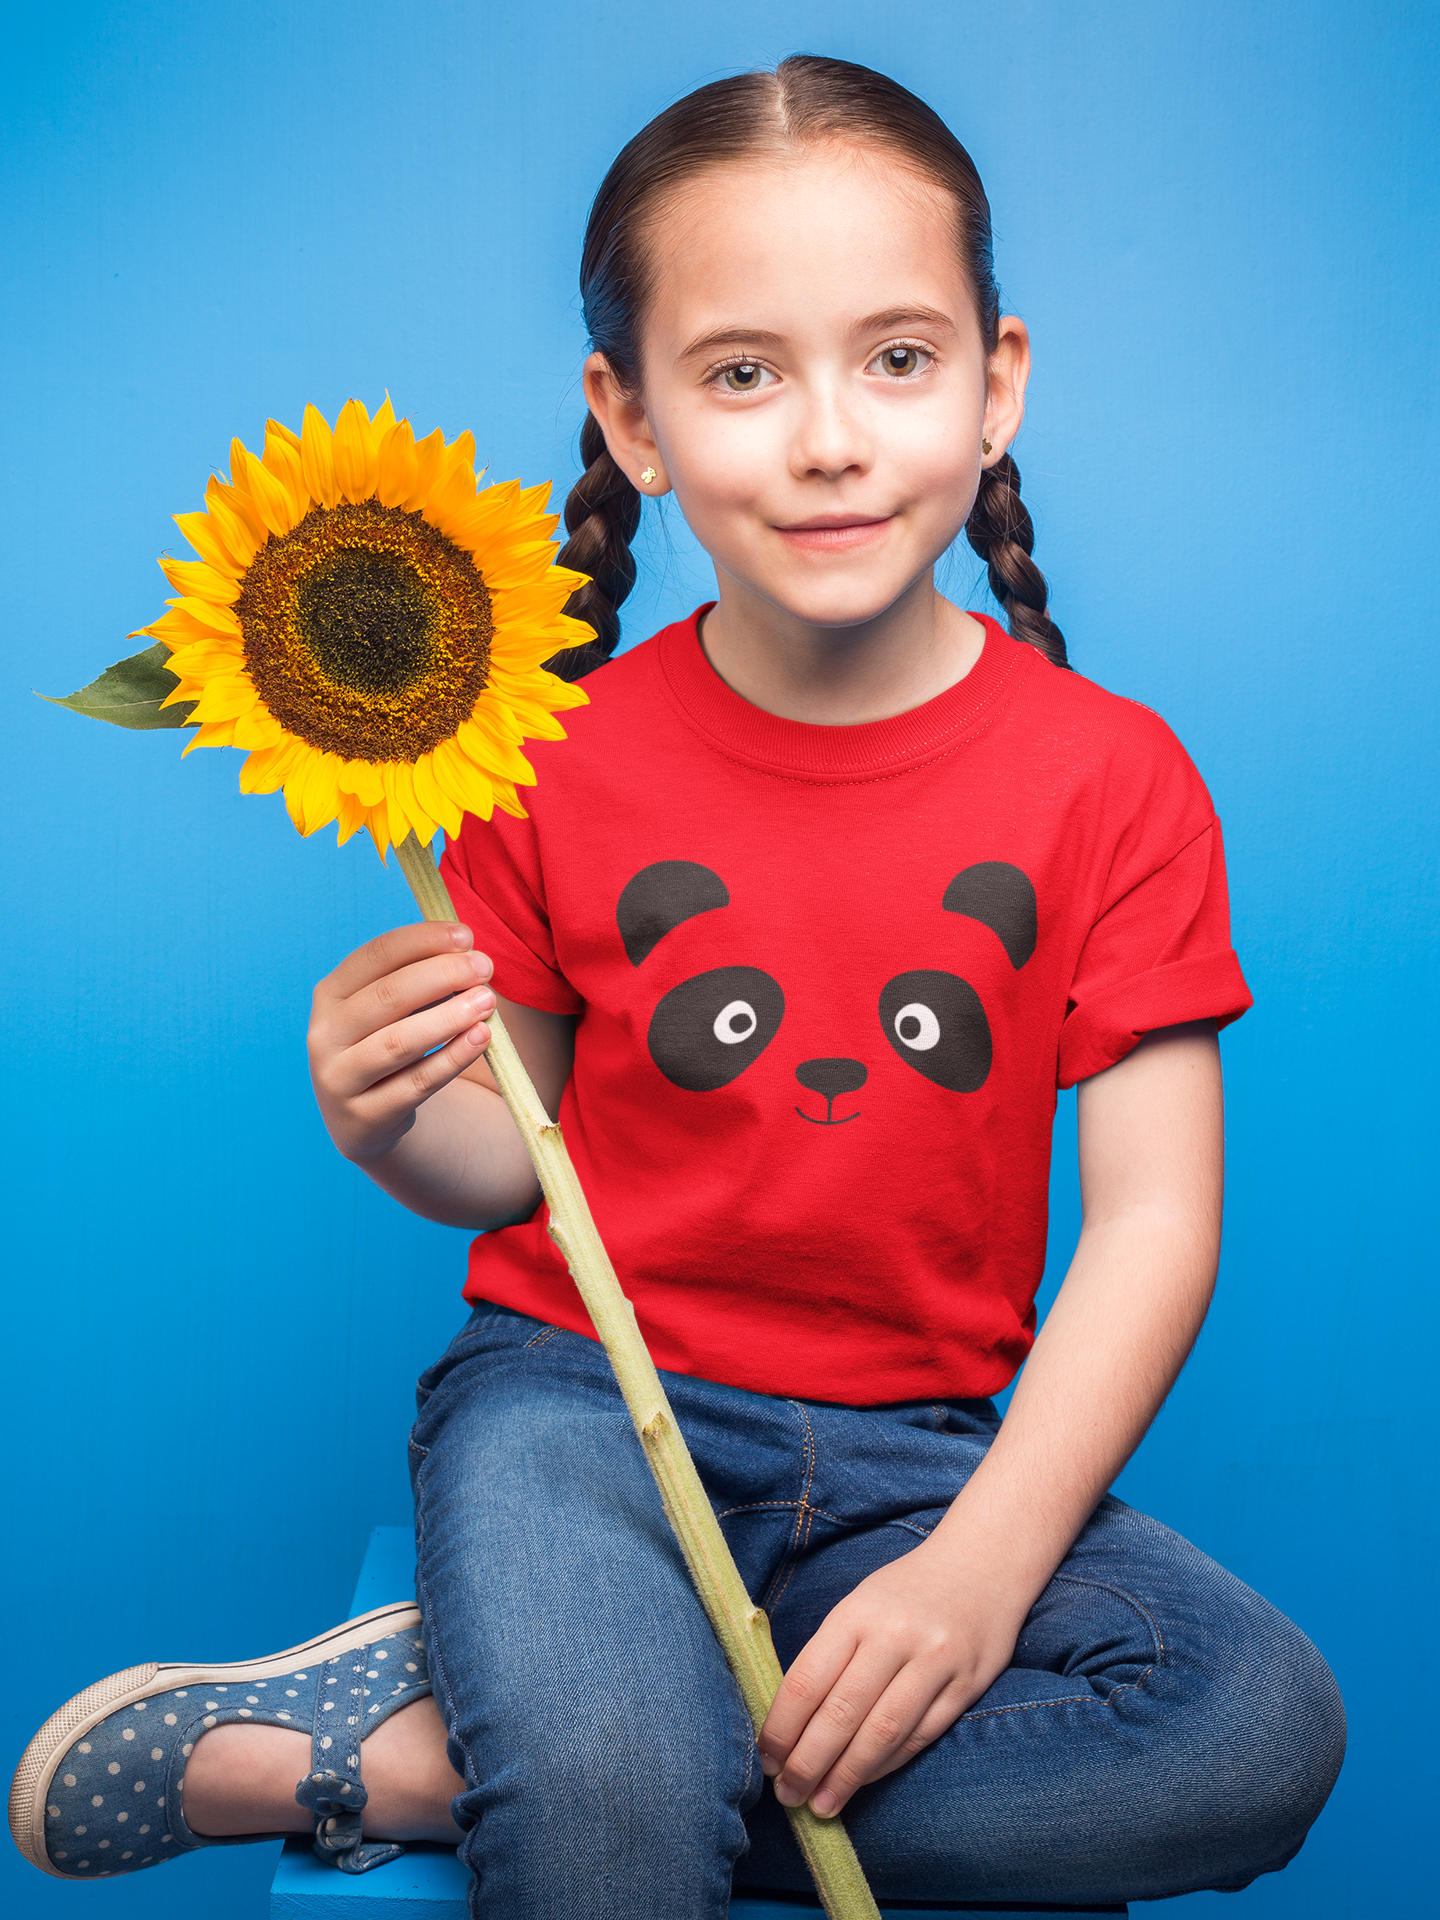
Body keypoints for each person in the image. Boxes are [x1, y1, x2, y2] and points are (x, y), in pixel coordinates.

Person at [10, 54, 1344, 1917]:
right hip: (583, 1412)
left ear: (997, 384)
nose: (829, 438)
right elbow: (515, 1160)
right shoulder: (542, 753)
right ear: (626, 419)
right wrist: (387, 1116)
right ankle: (565, 1734)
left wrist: (973, 1571)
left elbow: (1152, 1230)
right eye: (741, 373)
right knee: (616, 1822)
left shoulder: (1113, 778)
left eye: (898, 358)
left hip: (924, 1453)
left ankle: (425, 1759)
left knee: (1251, 1733)